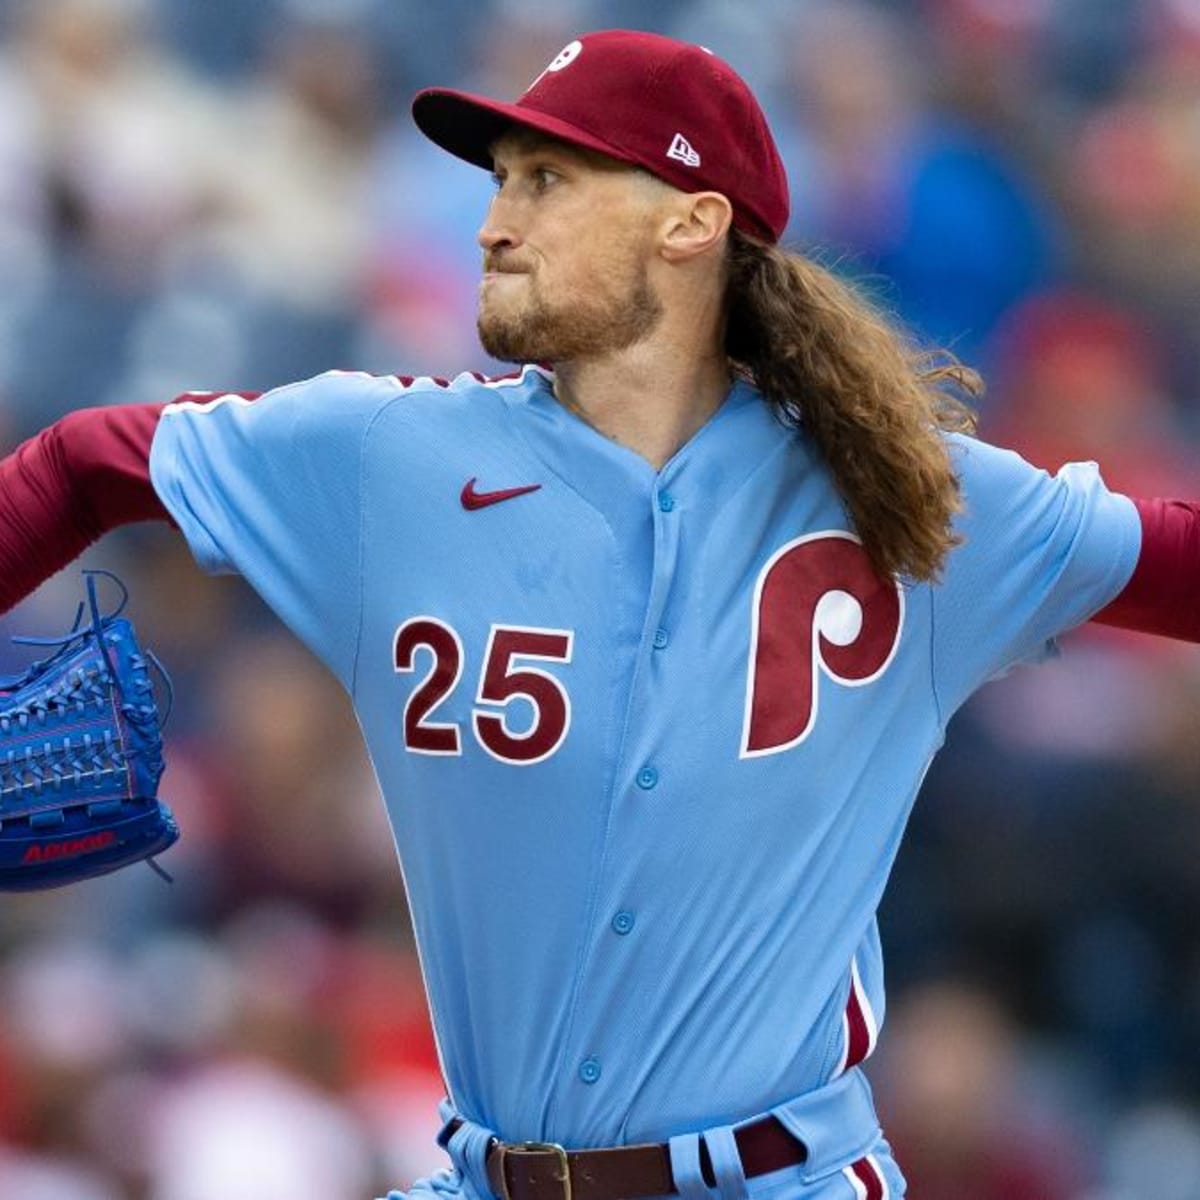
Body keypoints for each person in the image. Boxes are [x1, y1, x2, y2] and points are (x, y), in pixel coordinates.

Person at [0, 28, 1195, 1200]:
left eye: (549, 180)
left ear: (691, 221)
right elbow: (83, 465)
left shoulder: (904, 493)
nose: (491, 220)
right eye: (499, 180)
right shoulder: (381, 458)